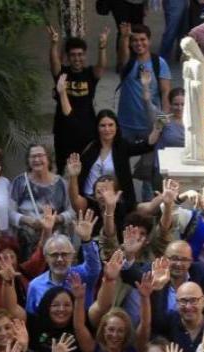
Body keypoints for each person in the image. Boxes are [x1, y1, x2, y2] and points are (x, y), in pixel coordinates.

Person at [72, 109, 162, 215]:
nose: (107, 129)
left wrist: (157, 128)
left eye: (111, 125)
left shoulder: (122, 146)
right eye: (103, 125)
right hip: (90, 198)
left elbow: (145, 146)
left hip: (115, 199)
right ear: (97, 128)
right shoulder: (89, 147)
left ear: (116, 127)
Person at [47, 27, 108, 174]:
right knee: (64, 167)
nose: (77, 58)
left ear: (85, 56)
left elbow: (102, 66)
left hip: (87, 128)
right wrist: (54, 44)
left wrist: (102, 46)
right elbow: (54, 62)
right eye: (73, 55)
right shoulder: (62, 73)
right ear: (68, 57)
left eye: (80, 55)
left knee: (87, 166)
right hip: (63, 128)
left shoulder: (90, 74)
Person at [25, 211, 101, 315]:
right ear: (46, 257)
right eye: (54, 255)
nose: (60, 259)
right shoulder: (35, 286)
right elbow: (31, 318)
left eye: (64, 254)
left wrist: (86, 240)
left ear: (72, 256)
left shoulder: (83, 276)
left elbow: (94, 267)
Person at [9, 144, 75, 258]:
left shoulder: (61, 183)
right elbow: (10, 213)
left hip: (56, 244)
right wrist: (29, 221)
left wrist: (56, 219)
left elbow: (72, 211)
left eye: (40, 156)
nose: (37, 160)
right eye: (32, 157)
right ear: (28, 160)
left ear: (48, 159)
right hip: (27, 242)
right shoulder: (19, 182)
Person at [116, 23, 171, 142]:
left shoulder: (159, 63)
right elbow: (122, 53)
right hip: (126, 124)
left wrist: (161, 124)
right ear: (130, 43)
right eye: (134, 40)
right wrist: (124, 37)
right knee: (123, 158)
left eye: (142, 39)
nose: (139, 43)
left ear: (149, 41)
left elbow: (166, 94)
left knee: (148, 160)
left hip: (150, 125)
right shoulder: (127, 62)